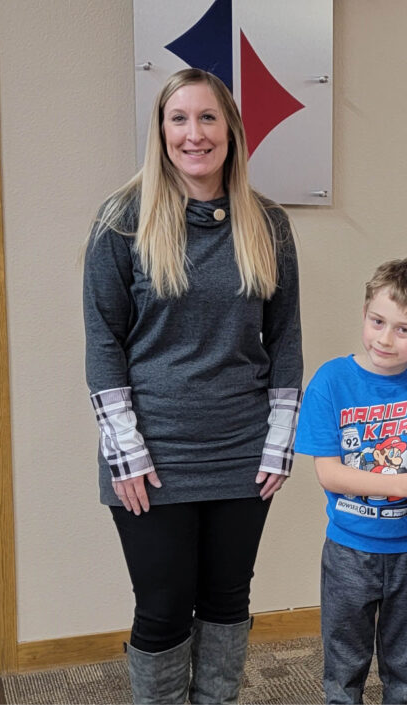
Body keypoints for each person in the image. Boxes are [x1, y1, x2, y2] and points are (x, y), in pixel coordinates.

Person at [83, 68, 301, 704]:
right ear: (160, 131)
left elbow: (284, 339)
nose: (194, 133)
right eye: (179, 119)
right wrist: (125, 448)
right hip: (152, 452)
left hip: (241, 447)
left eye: (208, 118)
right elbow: (102, 341)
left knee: (229, 601)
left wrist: (279, 439)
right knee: (163, 607)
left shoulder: (268, 224)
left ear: (230, 132)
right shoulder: (121, 222)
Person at [294, 258, 407, 704]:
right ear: (365, 313)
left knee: (404, 671)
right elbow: (329, 472)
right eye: (377, 321)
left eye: (403, 329)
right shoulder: (331, 382)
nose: (385, 339)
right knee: (343, 668)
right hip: (349, 549)